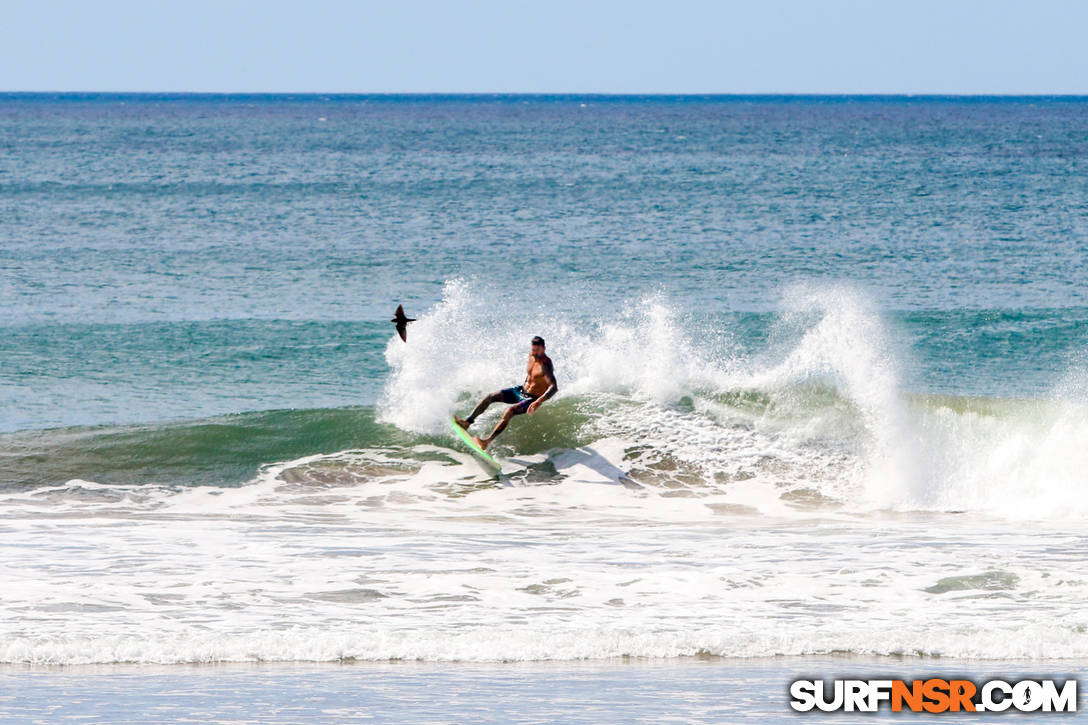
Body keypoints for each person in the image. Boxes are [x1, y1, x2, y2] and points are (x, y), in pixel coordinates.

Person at [455, 336, 558, 450]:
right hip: (521, 391)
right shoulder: (531, 356)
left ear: (544, 348)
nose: (535, 353)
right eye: (533, 350)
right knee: (491, 396)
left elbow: (554, 387)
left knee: (509, 411)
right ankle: (467, 422)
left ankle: (486, 442)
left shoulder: (546, 365)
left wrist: (538, 402)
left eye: (538, 350)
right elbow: (531, 376)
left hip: (532, 398)